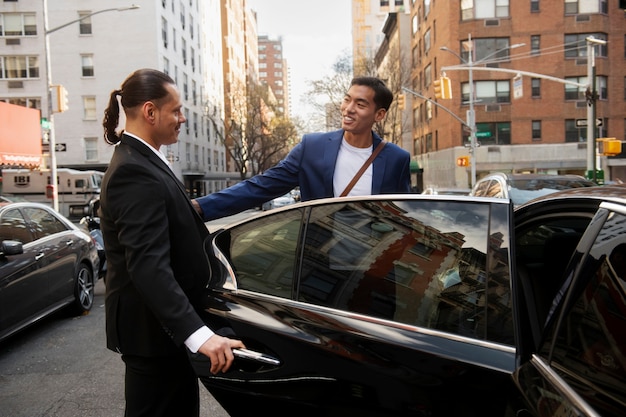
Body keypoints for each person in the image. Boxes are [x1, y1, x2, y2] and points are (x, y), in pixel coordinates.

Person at [99, 68, 245, 417]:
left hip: (163, 335)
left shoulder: (146, 160)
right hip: (152, 336)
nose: (182, 119)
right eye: (176, 111)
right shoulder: (134, 172)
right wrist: (199, 336)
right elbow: (148, 266)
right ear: (150, 112)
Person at [193, 76, 411, 221]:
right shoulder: (312, 147)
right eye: (347, 100)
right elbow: (263, 186)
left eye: (360, 104)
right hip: (318, 262)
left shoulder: (397, 159)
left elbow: (404, 214)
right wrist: (201, 207)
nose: (348, 109)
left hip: (377, 266)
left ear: (379, 115)